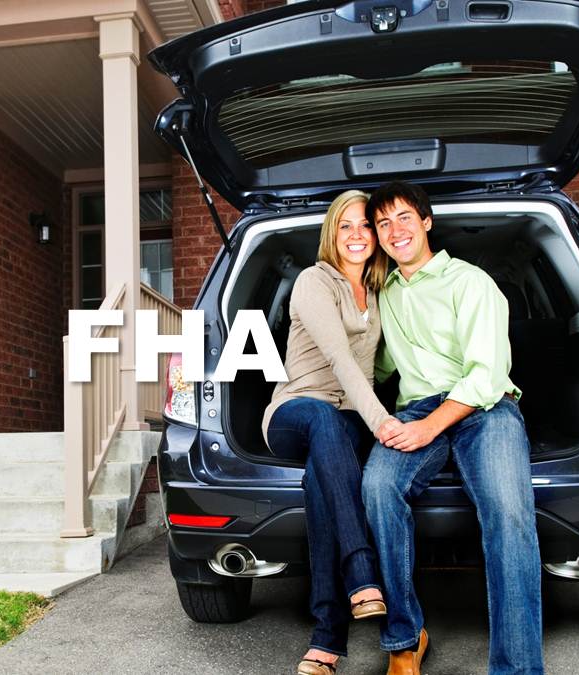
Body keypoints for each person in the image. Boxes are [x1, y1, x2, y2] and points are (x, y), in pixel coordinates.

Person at [361, 181, 543, 675]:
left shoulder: (471, 282)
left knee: (509, 515)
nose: (394, 230)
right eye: (383, 224)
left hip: (485, 409)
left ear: (426, 222)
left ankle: (518, 669)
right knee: (377, 486)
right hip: (417, 409)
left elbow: (486, 372)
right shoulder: (385, 295)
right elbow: (374, 368)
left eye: (404, 218)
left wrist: (429, 429)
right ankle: (405, 638)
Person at [262, 189, 399, 675]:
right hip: (296, 410)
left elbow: (387, 362)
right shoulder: (313, 281)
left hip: (346, 422)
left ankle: (326, 640)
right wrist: (381, 420)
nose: (357, 234)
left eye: (365, 225)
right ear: (331, 233)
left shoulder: (385, 290)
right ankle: (362, 572)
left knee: (323, 481)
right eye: (345, 225)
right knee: (324, 423)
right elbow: (342, 360)